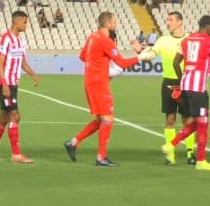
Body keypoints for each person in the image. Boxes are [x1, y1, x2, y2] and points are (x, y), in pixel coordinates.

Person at [64, 12, 150, 166]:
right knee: (108, 119)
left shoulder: (92, 37)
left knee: (100, 120)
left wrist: (99, 61)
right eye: (114, 21)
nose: (116, 23)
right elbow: (122, 63)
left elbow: (82, 57)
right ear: (108, 23)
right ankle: (101, 157)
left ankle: (73, 142)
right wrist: (140, 57)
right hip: (99, 83)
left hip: (90, 81)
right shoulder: (106, 41)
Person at [161, 15, 210, 172]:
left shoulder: (186, 40)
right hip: (198, 87)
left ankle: (171, 144)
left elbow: (176, 62)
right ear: (208, 27)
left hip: (186, 85)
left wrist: (183, 78)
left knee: (198, 121)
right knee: (203, 123)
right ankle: (201, 161)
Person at [0, 10, 41, 163]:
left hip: (13, 83)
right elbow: (0, 63)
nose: (26, 25)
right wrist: (4, 84)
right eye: (25, 22)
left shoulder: (20, 41)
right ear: (17, 22)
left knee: (4, 118)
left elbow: (22, 61)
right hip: (5, 83)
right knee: (15, 116)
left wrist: (32, 74)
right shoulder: (6, 39)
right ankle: (16, 154)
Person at [151, 11, 197, 164]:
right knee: (170, 119)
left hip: (186, 82)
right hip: (168, 82)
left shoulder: (190, 39)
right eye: (168, 20)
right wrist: (141, 52)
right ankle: (170, 155)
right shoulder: (163, 40)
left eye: (170, 20)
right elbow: (152, 53)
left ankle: (190, 154)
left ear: (180, 22)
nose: (168, 23)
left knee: (188, 120)